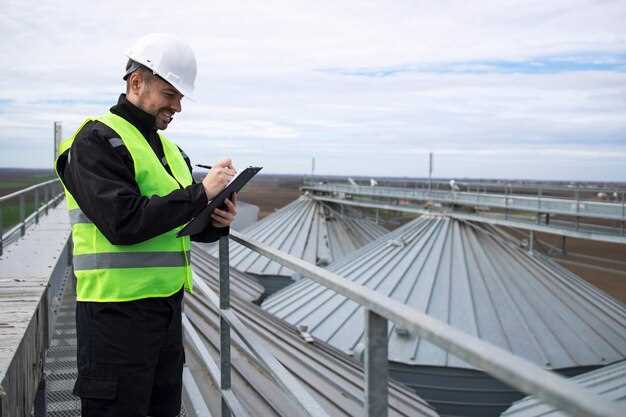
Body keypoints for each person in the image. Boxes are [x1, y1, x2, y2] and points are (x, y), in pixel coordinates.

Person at [55, 33, 237, 417]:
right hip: (114, 319)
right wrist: (200, 194)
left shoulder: (171, 150)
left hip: (166, 313)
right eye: (171, 94)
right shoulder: (95, 141)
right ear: (136, 83)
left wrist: (215, 219)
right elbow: (122, 222)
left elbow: (179, 223)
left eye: (181, 97)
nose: (178, 106)